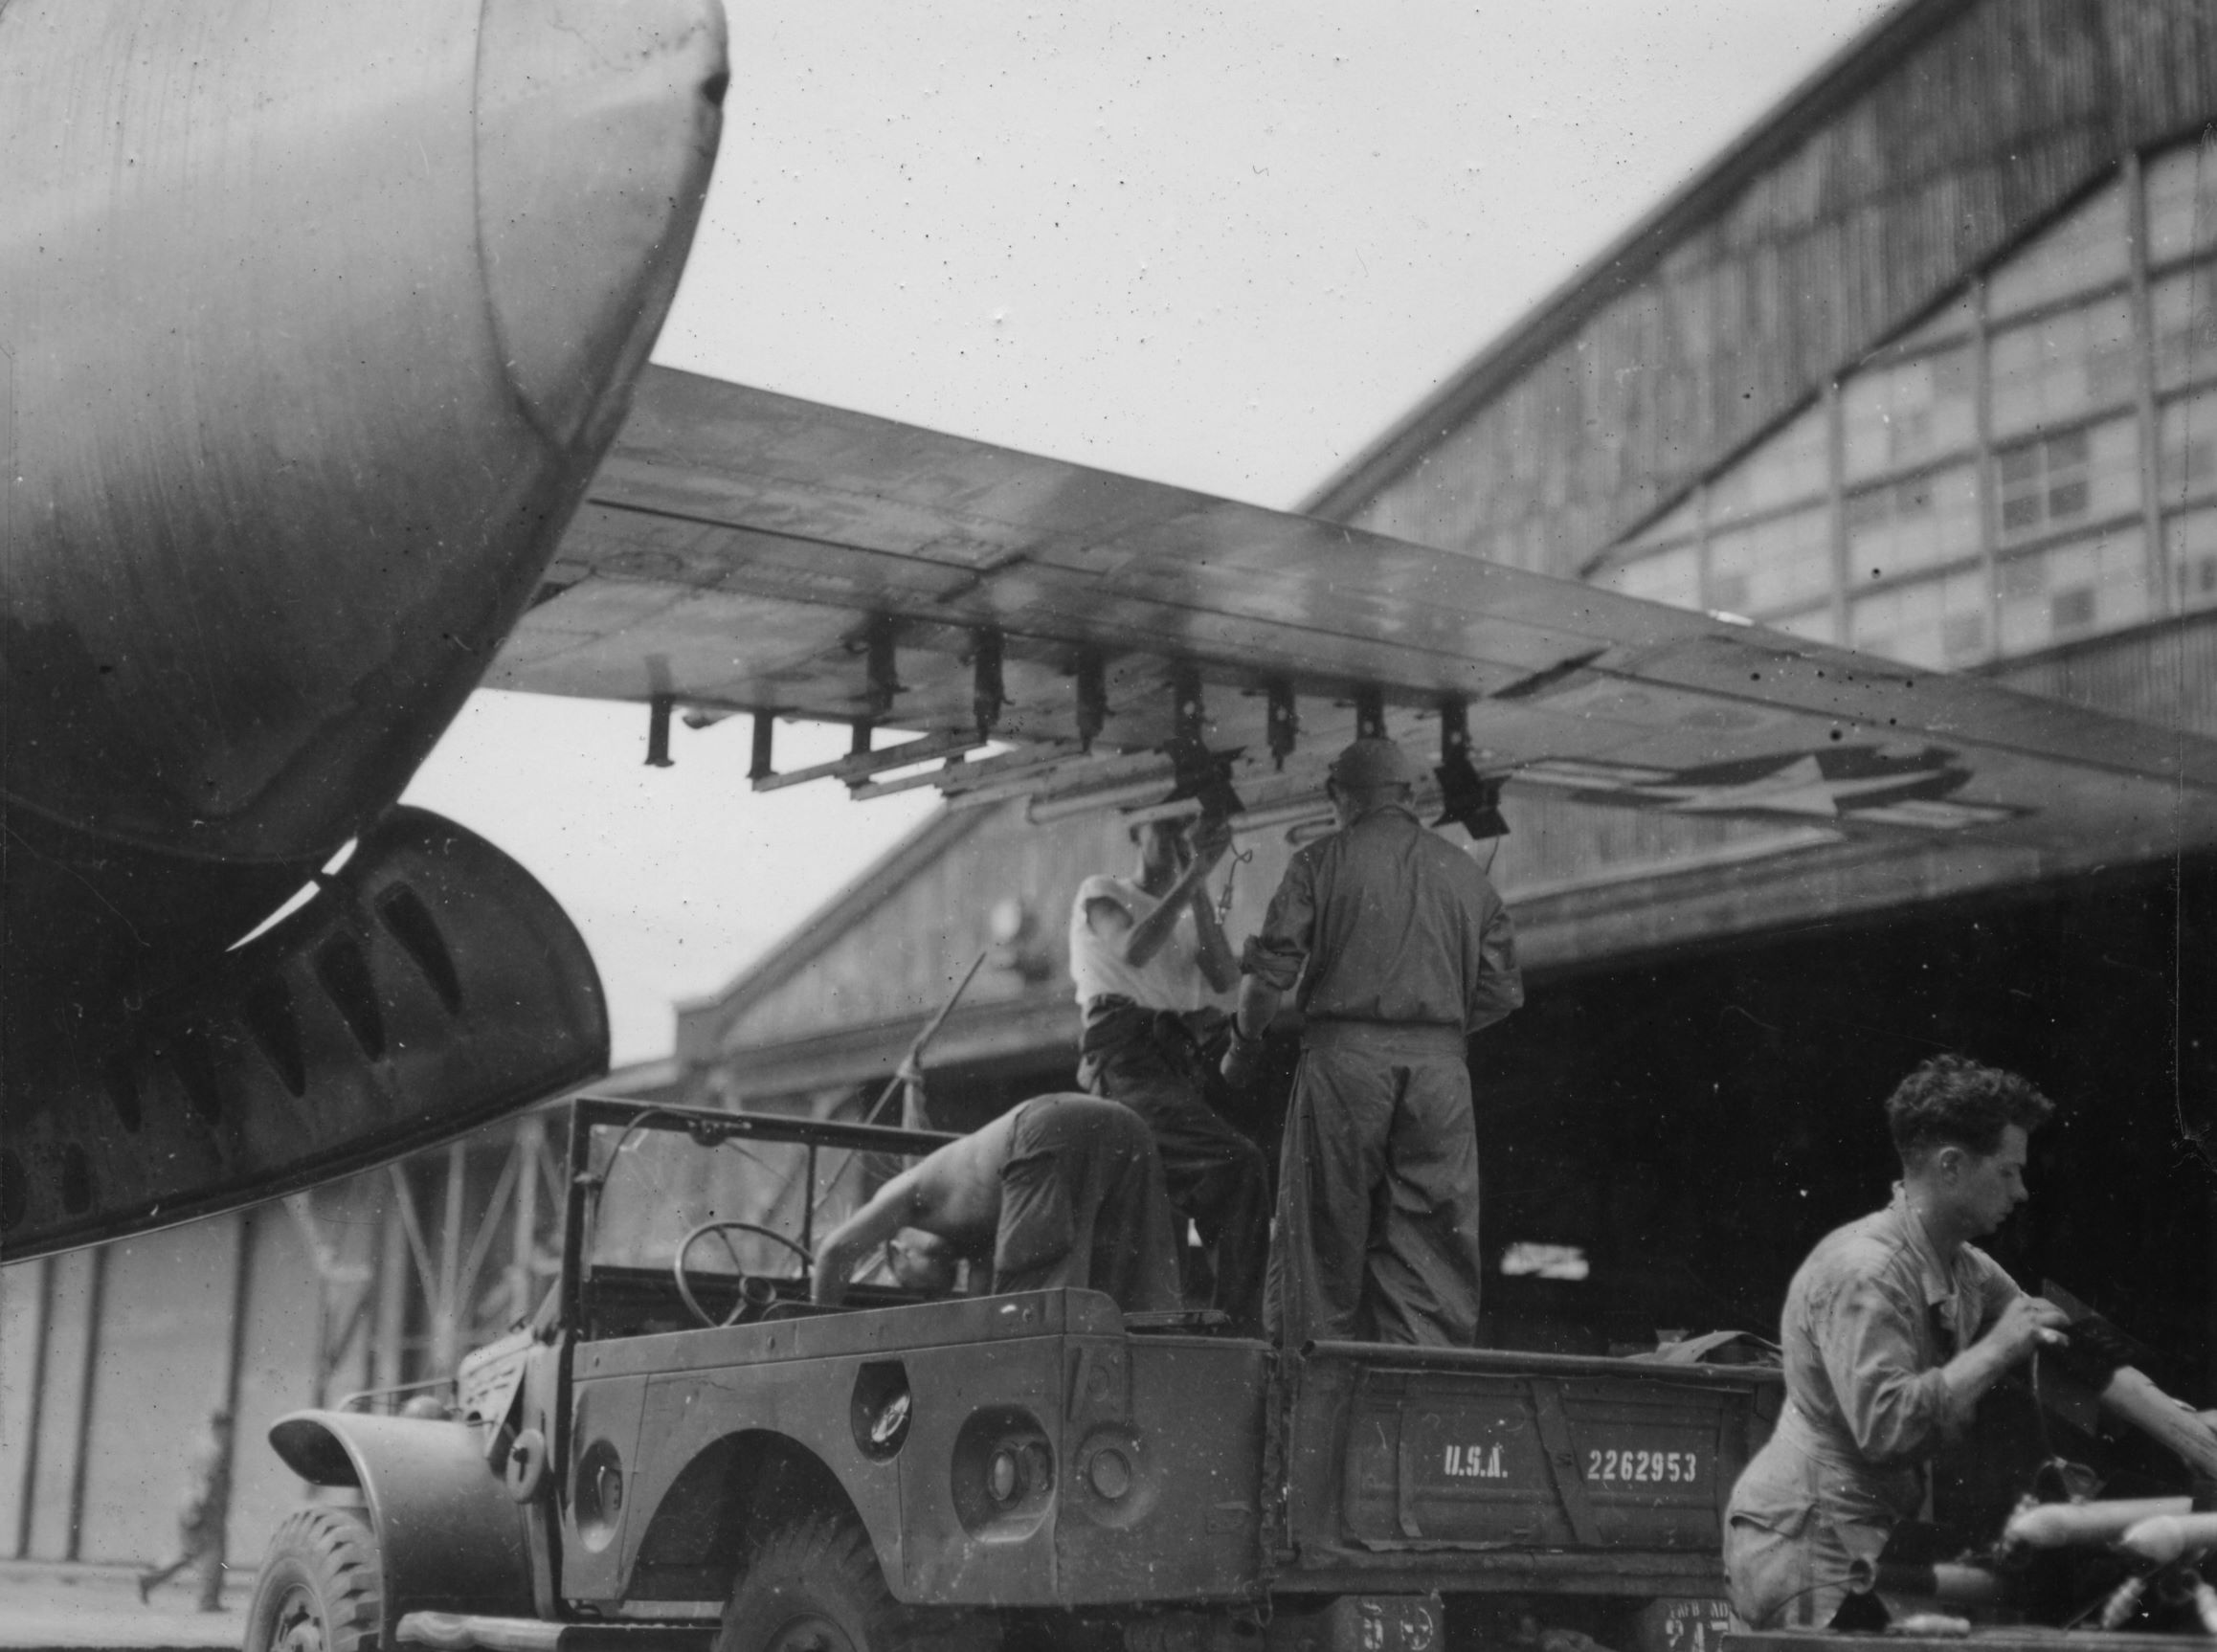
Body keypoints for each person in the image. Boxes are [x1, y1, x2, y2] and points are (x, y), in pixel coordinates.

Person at [1723, 1056, 2071, 1630]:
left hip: (1868, 1530)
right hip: (1811, 1540)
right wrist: (1996, 1350)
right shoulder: (1867, 1272)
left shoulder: (1962, 1266)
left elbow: (2045, 1328)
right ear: (1952, 1166)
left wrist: (2175, 1419)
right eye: (2008, 1172)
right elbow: (1886, 1429)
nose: (2022, 1192)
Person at [1222, 735, 1522, 1347]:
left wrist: (1242, 1047)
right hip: (1440, 1078)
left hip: (1345, 1069)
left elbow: (1265, 984)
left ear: (1341, 796)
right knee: (1431, 1253)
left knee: (1321, 1244)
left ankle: (1313, 1394)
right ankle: (1417, 1391)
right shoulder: (1466, 873)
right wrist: (1428, 1031)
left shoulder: (1318, 862)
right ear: (1408, 796)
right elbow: (1501, 991)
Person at [1071, 815, 1268, 1334]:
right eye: (1165, 828)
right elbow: (1132, 949)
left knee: (1170, 1206)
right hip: (1126, 1058)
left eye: (1186, 827)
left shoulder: (1186, 909)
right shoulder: (1103, 892)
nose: (1178, 837)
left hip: (1175, 1063)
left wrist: (1197, 882)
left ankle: (1199, 1327)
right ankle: (1240, 1326)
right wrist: (1195, 873)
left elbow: (1223, 977)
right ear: (1134, 831)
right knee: (1238, 1164)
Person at [812, 1093, 1183, 1315]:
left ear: (898, 1252)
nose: (935, 1293)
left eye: (920, 1290)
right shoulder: (977, 1236)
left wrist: (815, 1335)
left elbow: (834, 1251)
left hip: (1044, 1129)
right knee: (1127, 1295)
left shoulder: (906, 1194)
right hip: (1125, 1127)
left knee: (1029, 1316)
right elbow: (983, 1314)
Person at [138, 1409, 235, 1611]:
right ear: (219, 1428)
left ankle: (150, 1579)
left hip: (192, 1505)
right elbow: (206, 1482)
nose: (228, 1433)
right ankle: (208, 1600)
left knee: (190, 1553)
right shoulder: (215, 1451)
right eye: (226, 1428)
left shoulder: (203, 1447)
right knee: (215, 1554)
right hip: (203, 1508)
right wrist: (200, 1508)